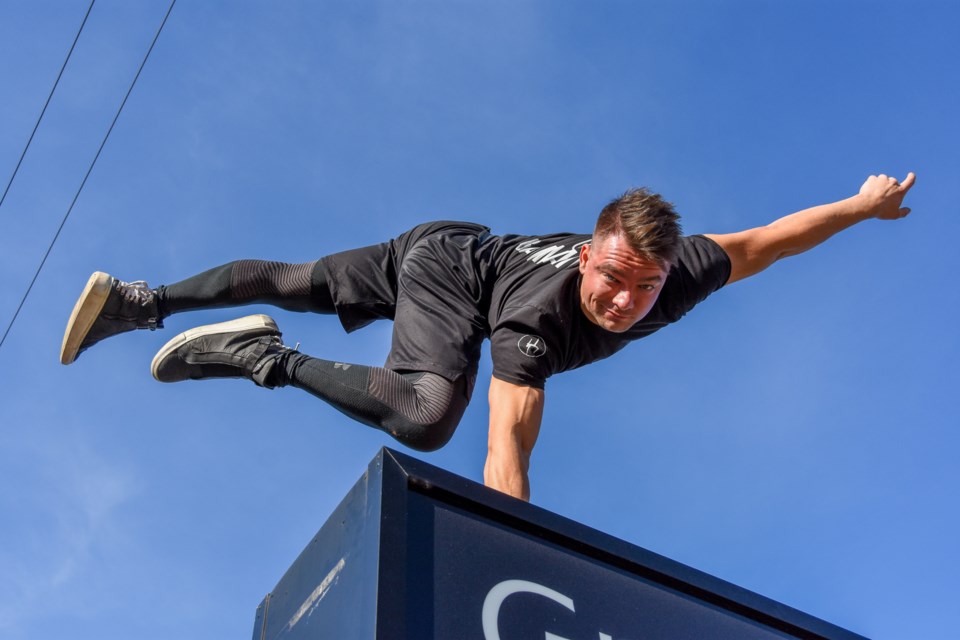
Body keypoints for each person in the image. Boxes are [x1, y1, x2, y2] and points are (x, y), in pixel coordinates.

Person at [60, 172, 916, 501]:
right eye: (610, 280)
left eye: (641, 289)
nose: (622, 302)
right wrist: (511, 545)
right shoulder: (538, 321)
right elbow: (508, 446)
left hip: (444, 238)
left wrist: (857, 207)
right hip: (456, 276)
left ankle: (143, 301)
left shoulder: (681, 272)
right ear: (589, 256)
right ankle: (259, 353)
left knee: (298, 279)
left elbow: (770, 240)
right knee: (430, 414)